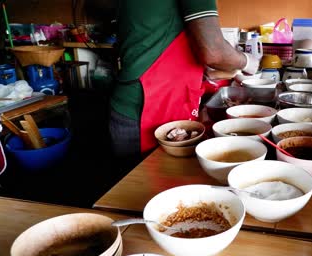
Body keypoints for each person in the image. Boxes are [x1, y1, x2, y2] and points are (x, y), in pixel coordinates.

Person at [110, 0, 259, 170]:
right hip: (148, 106)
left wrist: (217, 72)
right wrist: (248, 62)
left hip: (138, 99)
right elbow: (214, 52)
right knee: (144, 185)